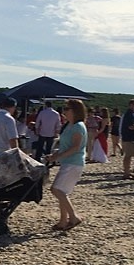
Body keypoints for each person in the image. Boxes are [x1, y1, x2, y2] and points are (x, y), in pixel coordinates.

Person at [46, 99, 87, 231]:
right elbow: (65, 146)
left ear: (75, 111)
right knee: (62, 192)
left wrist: (57, 157)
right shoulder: (69, 125)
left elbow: (76, 147)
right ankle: (63, 221)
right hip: (68, 162)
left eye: (66, 109)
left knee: (56, 190)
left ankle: (73, 217)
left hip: (73, 163)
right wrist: (54, 155)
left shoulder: (78, 126)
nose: (64, 111)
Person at [120, 99, 134, 179]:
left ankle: (127, 172)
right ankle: (126, 173)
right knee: (128, 156)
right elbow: (131, 127)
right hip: (129, 138)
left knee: (129, 155)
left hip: (128, 137)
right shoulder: (130, 114)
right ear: (130, 105)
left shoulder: (130, 114)